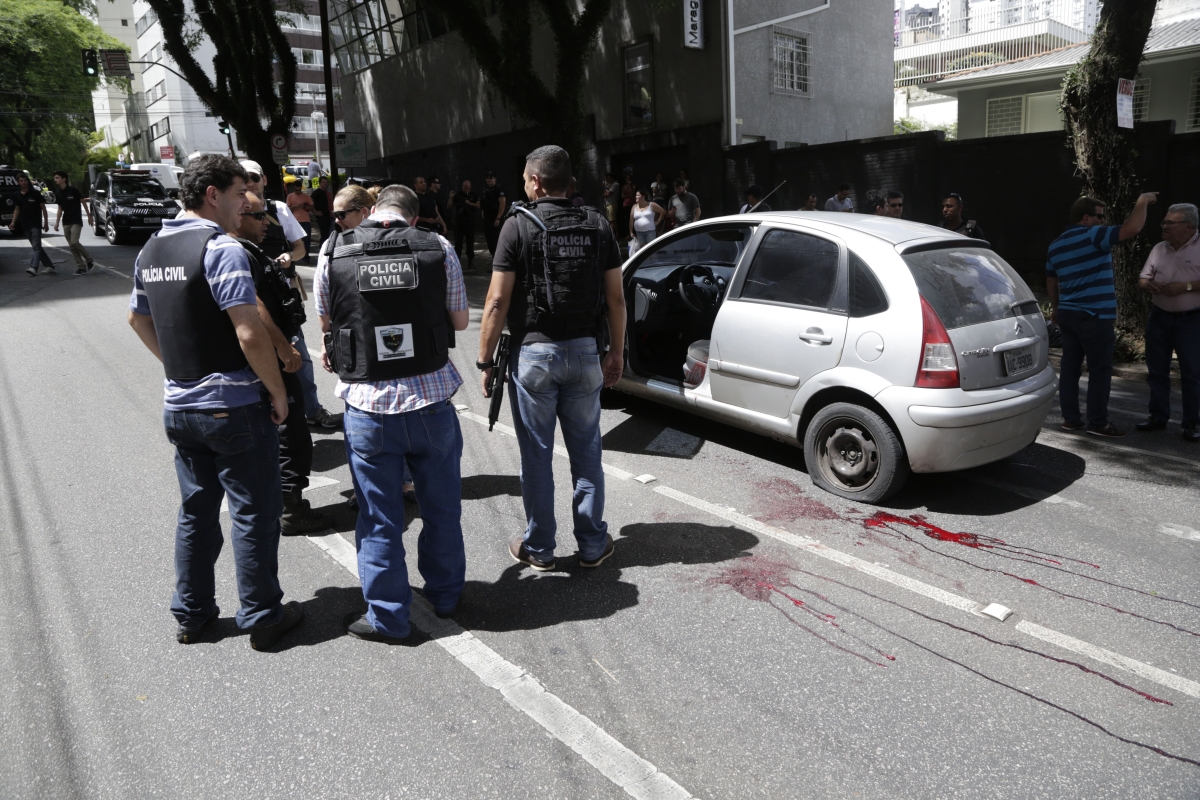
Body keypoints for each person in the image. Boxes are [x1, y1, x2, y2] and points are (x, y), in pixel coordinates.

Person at [125, 154, 304, 650]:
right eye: (236, 194)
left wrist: (177, 369)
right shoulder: (221, 248)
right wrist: (276, 391)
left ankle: (193, 614)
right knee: (253, 511)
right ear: (212, 195)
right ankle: (263, 617)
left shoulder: (151, 249)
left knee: (196, 512)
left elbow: (138, 320)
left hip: (180, 406)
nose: (243, 203)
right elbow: (248, 330)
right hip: (233, 405)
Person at [317, 184, 469, 643]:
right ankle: (444, 595)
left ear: (371, 211)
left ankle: (387, 617)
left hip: (368, 406)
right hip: (431, 400)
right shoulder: (438, 247)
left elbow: (327, 321)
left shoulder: (335, 248)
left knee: (378, 516)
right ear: (414, 218)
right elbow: (460, 321)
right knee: (441, 507)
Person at [477, 144, 626, 571]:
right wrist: (616, 352)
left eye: (525, 179)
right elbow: (616, 300)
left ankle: (540, 547)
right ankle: (593, 544)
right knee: (587, 454)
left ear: (538, 182)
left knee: (537, 457)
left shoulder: (517, 226)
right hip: (585, 353)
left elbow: (495, 302)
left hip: (534, 355)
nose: (523, 186)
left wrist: (485, 362)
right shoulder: (598, 225)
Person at [233, 192, 335, 533]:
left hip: (269, 354)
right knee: (289, 435)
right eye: (259, 216)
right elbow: (253, 306)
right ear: (239, 213)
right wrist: (283, 349)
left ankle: (282, 504)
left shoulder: (246, 249)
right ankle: (290, 510)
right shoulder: (236, 253)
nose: (266, 223)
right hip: (269, 356)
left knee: (283, 434)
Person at [1046, 191, 1158, 438]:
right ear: (1086, 218)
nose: (1103, 221)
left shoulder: (1055, 244)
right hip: (1094, 315)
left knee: (1070, 368)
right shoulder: (1093, 235)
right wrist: (1141, 202)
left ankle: (1070, 419)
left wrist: (1055, 308)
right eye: (1100, 217)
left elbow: (1051, 280)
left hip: (1068, 314)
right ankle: (1098, 423)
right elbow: (1132, 229)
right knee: (1099, 370)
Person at [240, 161, 341, 430]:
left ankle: (311, 410)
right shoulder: (229, 212)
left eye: (252, 177)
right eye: (241, 178)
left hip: (280, 294)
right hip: (245, 296)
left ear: (263, 180)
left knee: (300, 358)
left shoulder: (278, 209)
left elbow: (299, 248)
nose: (248, 182)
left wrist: (288, 257)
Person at [1136, 203, 1200, 442]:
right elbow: (1143, 278)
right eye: (1164, 222)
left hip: (1192, 321)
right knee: (1156, 371)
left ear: (1189, 226)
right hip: (1159, 316)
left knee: (1192, 374)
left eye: (1170, 223)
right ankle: (1158, 416)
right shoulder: (1159, 248)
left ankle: (1192, 423)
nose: (1164, 226)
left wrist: (1185, 287)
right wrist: (1147, 285)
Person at [10, 173, 54, 276]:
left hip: (36, 224)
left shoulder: (35, 193)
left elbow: (43, 208)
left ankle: (33, 267)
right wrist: (13, 222)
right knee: (37, 247)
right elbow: (17, 209)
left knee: (36, 247)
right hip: (25, 224)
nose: (23, 182)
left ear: (27, 181)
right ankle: (49, 266)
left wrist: (46, 223)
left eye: (25, 180)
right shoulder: (17, 195)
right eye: (21, 181)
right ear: (18, 182)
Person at [51, 171, 95, 275]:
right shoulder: (58, 193)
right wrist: (57, 223)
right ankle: (81, 267)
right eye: (55, 178)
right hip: (66, 221)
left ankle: (89, 259)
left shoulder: (73, 190)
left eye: (57, 178)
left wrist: (89, 216)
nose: (55, 179)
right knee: (72, 246)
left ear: (64, 179)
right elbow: (60, 208)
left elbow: (83, 201)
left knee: (74, 242)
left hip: (76, 220)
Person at [452, 179, 480, 269]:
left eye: (468, 188)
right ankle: (457, 261)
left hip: (469, 222)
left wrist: (469, 203)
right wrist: (450, 198)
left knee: (470, 242)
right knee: (458, 243)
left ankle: (470, 261)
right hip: (459, 222)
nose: (466, 190)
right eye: (465, 188)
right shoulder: (458, 195)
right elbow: (449, 206)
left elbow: (479, 206)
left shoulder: (473, 195)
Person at [286, 182, 315, 263]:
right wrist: (295, 207)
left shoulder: (306, 196)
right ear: (294, 188)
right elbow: (287, 209)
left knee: (307, 240)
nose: (298, 192)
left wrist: (305, 207)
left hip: (306, 221)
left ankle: (306, 256)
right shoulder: (290, 196)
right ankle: (295, 256)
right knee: (295, 240)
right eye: (296, 190)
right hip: (295, 221)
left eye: (299, 190)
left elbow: (312, 207)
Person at [481, 171, 508, 255]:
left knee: (496, 240)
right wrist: (483, 211)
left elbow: (502, 203)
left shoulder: (498, 188)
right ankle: (493, 259)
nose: (488, 179)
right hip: (487, 217)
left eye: (490, 178)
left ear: (495, 179)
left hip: (495, 217)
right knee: (489, 241)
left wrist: (498, 218)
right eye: (487, 178)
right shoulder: (485, 189)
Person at [310, 176, 332, 246]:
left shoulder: (328, 193)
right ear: (320, 183)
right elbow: (309, 202)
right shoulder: (316, 192)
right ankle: (322, 250)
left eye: (326, 182)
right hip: (322, 217)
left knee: (330, 235)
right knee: (324, 235)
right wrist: (314, 212)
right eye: (323, 182)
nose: (325, 184)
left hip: (330, 216)